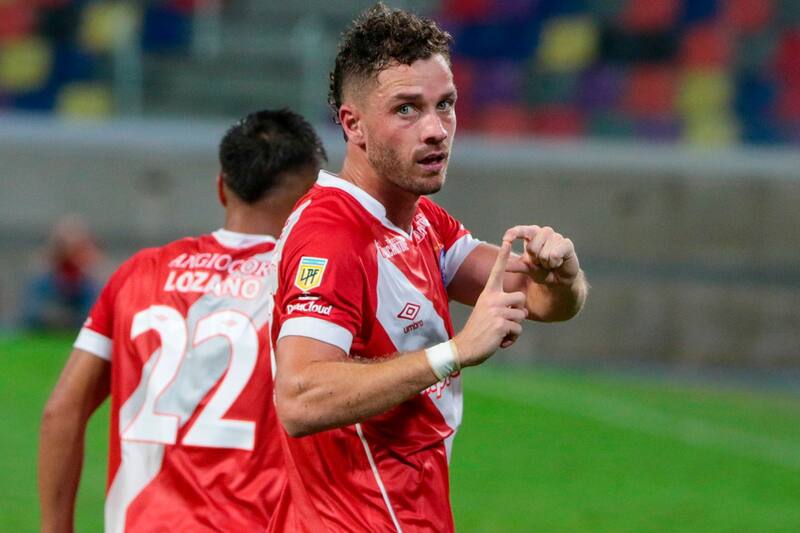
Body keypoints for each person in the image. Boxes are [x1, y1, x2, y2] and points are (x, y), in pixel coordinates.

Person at [268, 4, 589, 532]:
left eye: (446, 104)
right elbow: (300, 399)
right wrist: (454, 352)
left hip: (410, 511)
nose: (437, 130)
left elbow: (538, 300)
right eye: (407, 110)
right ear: (354, 124)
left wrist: (563, 274)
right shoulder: (333, 237)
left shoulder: (420, 222)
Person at [38, 109, 327, 533]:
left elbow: (61, 410)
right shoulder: (303, 286)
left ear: (220, 189)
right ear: (310, 200)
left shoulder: (139, 273)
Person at [22, 214, 102, 331]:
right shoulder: (42, 279)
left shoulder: (90, 282)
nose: (69, 253)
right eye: (63, 246)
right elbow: (31, 313)